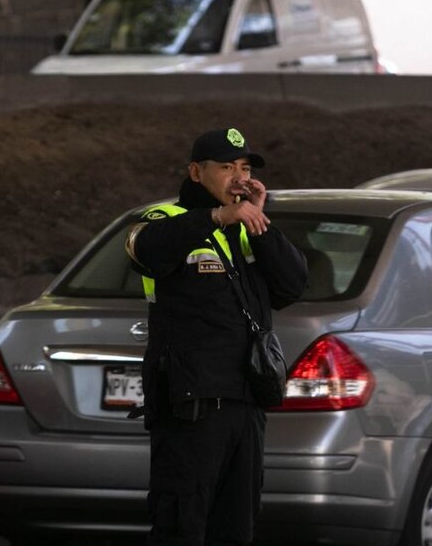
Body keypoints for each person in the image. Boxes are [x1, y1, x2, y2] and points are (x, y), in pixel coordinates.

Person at [125, 127, 307, 545]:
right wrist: (217, 216)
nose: (238, 177)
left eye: (244, 168)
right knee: (183, 525)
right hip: (193, 407)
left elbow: (292, 286)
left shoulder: (247, 230)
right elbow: (146, 251)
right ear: (195, 172)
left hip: (245, 405)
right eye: (226, 167)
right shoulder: (165, 220)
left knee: (236, 528)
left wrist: (261, 223)